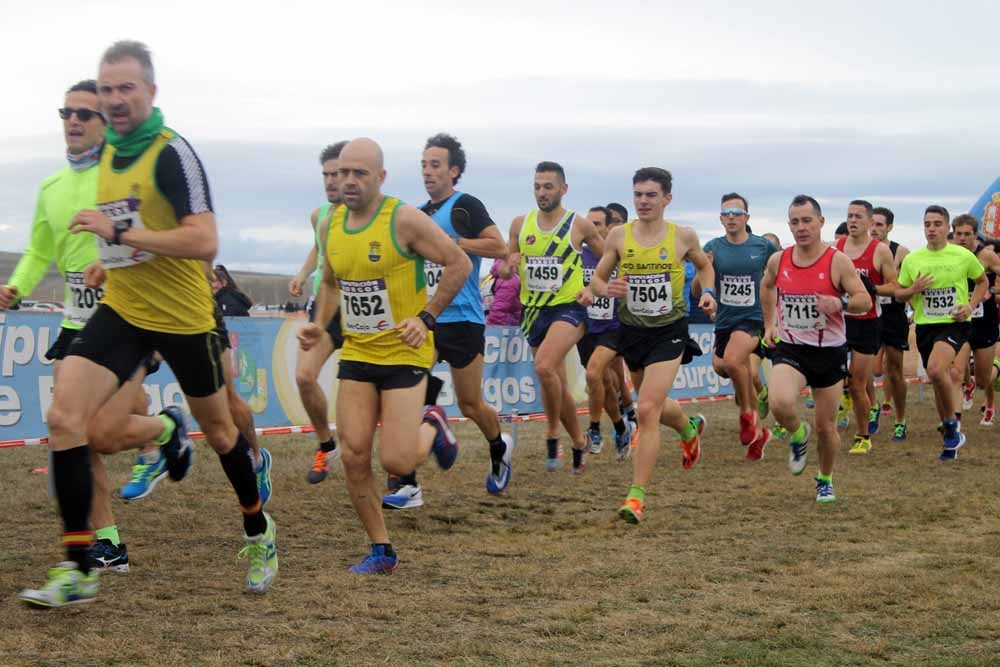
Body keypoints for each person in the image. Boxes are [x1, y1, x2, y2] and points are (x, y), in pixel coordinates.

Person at [18, 41, 276, 606]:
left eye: (125, 89)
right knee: (65, 417)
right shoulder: (108, 151)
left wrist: (119, 237)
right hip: (125, 311)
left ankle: (258, 529)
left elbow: (205, 240)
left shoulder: (171, 153)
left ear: (151, 93)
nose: (114, 100)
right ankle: (80, 564)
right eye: (105, 90)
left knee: (223, 433)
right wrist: (107, 263)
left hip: (185, 320)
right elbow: (127, 225)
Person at [298, 137, 471, 573]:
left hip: (404, 353)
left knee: (396, 460)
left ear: (380, 177)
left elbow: (458, 264)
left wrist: (427, 318)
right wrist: (320, 323)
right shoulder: (330, 225)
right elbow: (332, 283)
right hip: (358, 352)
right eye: (342, 173)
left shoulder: (404, 220)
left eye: (359, 173)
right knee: (354, 455)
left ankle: (433, 424)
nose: (348, 181)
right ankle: (381, 549)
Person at [0, 79, 140, 575]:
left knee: (105, 431)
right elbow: (39, 250)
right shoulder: (52, 188)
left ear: (105, 122)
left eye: (85, 113)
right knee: (72, 430)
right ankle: (107, 542)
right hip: (74, 321)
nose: (74, 122)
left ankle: (168, 432)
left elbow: (145, 243)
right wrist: (14, 286)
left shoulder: (121, 178)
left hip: (127, 318)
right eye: (67, 113)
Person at [382, 132, 512, 509]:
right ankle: (408, 483)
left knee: (471, 405)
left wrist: (455, 245)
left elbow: (499, 247)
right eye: (424, 165)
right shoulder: (418, 215)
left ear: (454, 171)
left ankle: (498, 447)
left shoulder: (464, 207)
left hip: (465, 318)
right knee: (408, 396)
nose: (428, 172)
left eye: (435, 165)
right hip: (427, 318)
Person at [579, 167, 716, 524]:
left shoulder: (682, 236)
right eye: (638, 194)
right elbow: (596, 281)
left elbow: (705, 267)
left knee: (646, 408)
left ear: (666, 198)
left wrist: (709, 294)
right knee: (653, 407)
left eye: (651, 195)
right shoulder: (619, 237)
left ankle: (635, 498)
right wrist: (605, 289)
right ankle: (688, 429)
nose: (643, 201)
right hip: (631, 330)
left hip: (669, 330)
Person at [761, 195, 871, 503]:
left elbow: (864, 300)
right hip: (792, 349)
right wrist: (770, 324)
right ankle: (798, 434)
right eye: (795, 222)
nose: (801, 227)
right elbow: (767, 286)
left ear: (820, 222)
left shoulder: (836, 260)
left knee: (825, 428)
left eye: (807, 220)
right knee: (779, 403)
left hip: (829, 352)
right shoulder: (778, 260)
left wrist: (841, 303)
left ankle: (824, 478)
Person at [500, 162, 604, 473]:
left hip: (568, 309)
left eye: (548, 186)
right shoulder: (521, 224)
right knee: (553, 380)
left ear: (563, 189)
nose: (542, 192)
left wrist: (593, 288)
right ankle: (577, 440)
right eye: (537, 186)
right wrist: (510, 262)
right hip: (533, 311)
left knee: (543, 365)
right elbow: (505, 268)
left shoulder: (579, 225)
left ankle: (551, 434)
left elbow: (609, 259)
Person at [895, 206, 987, 460]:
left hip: (955, 323)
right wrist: (913, 288)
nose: (932, 228)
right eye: (927, 224)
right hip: (926, 326)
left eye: (937, 224)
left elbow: (982, 282)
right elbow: (899, 293)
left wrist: (970, 305)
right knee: (937, 380)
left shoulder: (962, 255)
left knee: (936, 369)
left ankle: (951, 424)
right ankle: (950, 436)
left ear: (947, 228)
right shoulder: (914, 259)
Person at [703, 193, 778, 460]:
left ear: (747, 216)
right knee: (723, 367)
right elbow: (699, 285)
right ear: (721, 218)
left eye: (737, 212)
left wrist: (774, 318)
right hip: (724, 320)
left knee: (735, 362)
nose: (731, 217)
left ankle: (747, 414)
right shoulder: (713, 247)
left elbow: (778, 278)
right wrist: (707, 289)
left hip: (752, 319)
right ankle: (760, 432)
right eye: (726, 213)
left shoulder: (762, 247)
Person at [289, 142, 347, 484]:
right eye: (325, 174)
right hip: (325, 305)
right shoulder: (319, 215)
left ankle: (401, 466)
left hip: (358, 307)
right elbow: (318, 246)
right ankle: (326, 444)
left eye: (336, 173)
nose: (330, 181)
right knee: (304, 377)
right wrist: (302, 273)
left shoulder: (373, 215)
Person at [835, 200, 898, 454]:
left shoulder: (880, 251)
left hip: (867, 322)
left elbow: (895, 286)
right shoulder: (837, 247)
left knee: (858, 382)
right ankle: (832, 425)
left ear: (870, 222)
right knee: (834, 380)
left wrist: (873, 289)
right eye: (849, 215)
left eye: (858, 216)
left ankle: (863, 436)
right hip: (839, 321)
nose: (852, 220)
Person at [577, 206, 632, 460]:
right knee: (606, 383)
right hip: (587, 328)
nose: (591, 228)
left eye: (597, 224)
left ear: (608, 228)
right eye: (589, 223)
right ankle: (621, 428)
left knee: (593, 373)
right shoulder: (579, 255)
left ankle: (595, 429)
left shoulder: (618, 255)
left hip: (613, 327)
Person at [950, 214, 1000, 425]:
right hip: (961, 322)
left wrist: (991, 290)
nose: (962, 238)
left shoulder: (986, 256)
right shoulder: (949, 255)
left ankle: (995, 368)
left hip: (984, 321)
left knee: (983, 379)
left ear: (975, 233)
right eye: (958, 234)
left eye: (966, 234)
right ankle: (954, 423)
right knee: (956, 372)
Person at [870, 206, 911, 440]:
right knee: (867, 369)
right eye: (872, 224)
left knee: (894, 371)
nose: (874, 229)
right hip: (868, 314)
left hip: (893, 315)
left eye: (879, 225)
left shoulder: (901, 252)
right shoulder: (861, 250)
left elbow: (910, 283)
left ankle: (900, 419)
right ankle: (874, 406)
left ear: (889, 227)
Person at [486, 257, 522, 325]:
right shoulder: (510, 279)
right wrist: (491, 329)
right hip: (505, 326)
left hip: (497, 322)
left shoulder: (492, 276)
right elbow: (499, 309)